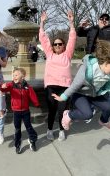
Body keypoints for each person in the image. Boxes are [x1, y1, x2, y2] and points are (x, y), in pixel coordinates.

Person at [52, 40, 110, 132]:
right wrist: (63, 96)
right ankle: (69, 115)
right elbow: (75, 85)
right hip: (80, 94)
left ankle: (103, 121)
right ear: (106, 63)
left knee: (109, 108)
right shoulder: (88, 70)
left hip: (95, 95)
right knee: (88, 114)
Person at [39, 11, 76, 141]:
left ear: (64, 46)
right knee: (52, 110)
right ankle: (49, 130)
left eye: (60, 44)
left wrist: (71, 23)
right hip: (51, 87)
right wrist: (42, 22)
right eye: (55, 44)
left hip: (65, 88)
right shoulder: (50, 54)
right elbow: (43, 39)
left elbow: (72, 38)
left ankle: (61, 130)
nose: (58, 46)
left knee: (62, 111)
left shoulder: (67, 55)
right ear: (53, 47)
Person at [0, 67, 40, 154]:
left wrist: (36, 103)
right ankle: (18, 144)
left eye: (16, 75)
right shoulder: (11, 85)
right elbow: (4, 89)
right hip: (16, 111)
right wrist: (2, 87)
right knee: (17, 129)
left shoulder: (27, 87)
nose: (14, 76)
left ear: (23, 76)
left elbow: (32, 95)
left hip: (26, 111)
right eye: (13, 75)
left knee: (29, 127)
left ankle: (32, 140)